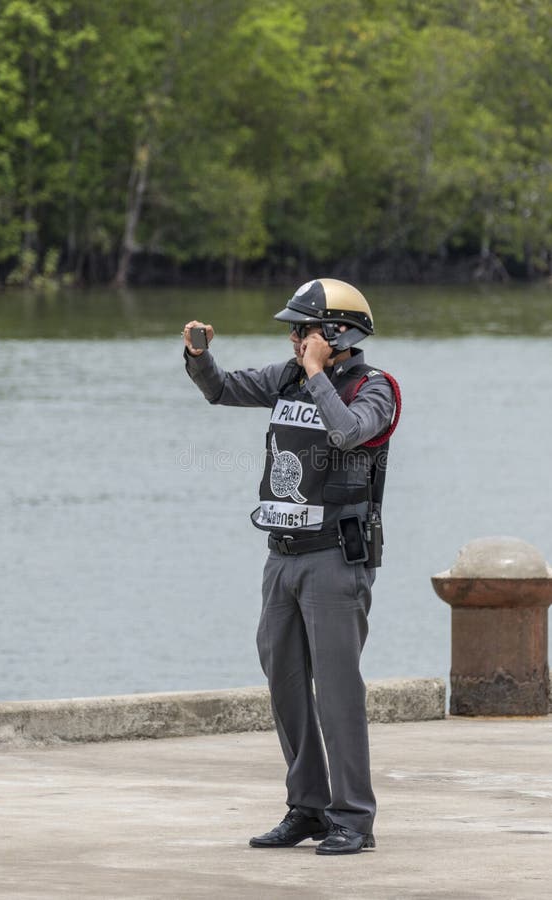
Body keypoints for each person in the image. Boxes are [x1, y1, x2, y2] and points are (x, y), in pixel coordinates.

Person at [183, 278, 400, 856]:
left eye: (302, 330)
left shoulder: (375, 389)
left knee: (337, 694)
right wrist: (199, 357)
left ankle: (353, 819)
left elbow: (347, 431)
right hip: (282, 560)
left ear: (336, 335)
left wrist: (318, 375)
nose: (294, 338)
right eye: (294, 330)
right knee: (285, 685)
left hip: (335, 560)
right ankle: (307, 807)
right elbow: (223, 389)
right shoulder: (286, 377)